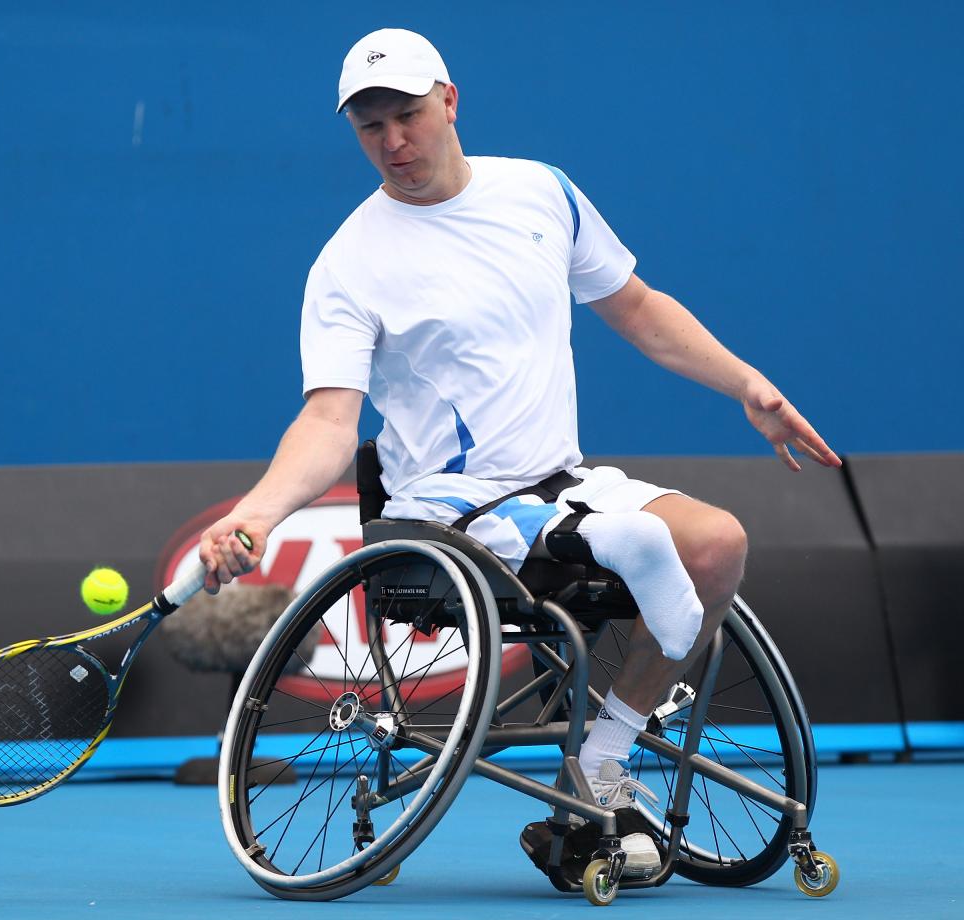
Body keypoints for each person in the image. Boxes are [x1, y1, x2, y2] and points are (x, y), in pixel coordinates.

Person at [197, 27, 840, 883]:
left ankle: (599, 759)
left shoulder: (542, 193)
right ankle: (619, 551)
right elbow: (327, 420)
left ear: (451, 101)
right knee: (633, 544)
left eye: (409, 116)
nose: (392, 142)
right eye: (369, 127)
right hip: (450, 516)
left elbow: (640, 309)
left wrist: (748, 386)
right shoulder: (349, 263)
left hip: (566, 482)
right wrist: (258, 513)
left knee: (719, 541)